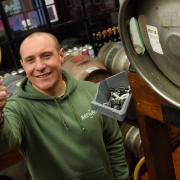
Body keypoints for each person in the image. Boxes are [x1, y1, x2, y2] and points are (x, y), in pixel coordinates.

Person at [0, 32, 129, 180]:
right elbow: (5, 143)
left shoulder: (91, 90)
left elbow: (113, 140)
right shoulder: (18, 108)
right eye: (30, 60)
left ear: (61, 56)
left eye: (46, 56)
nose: (40, 66)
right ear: (23, 65)